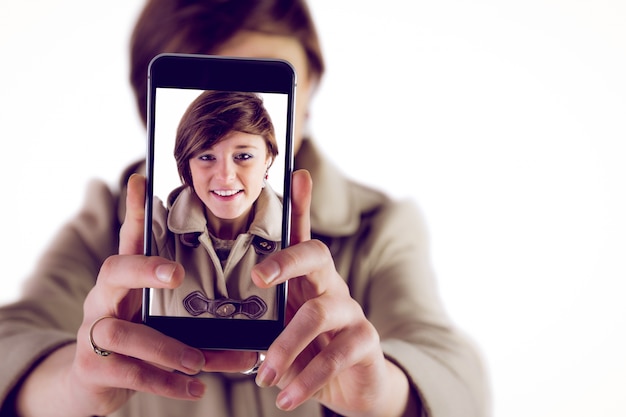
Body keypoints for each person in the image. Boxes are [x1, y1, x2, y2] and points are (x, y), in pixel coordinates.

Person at [0, 1, 490, 416]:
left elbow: (456, 372)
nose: (226, 177)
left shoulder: (378, 227)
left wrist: (382, 389)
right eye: (207, 149)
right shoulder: (109, 225)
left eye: (244, 151)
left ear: (311, 85)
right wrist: (73, 383)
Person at [150, 90, 283, 320]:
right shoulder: (154, 231)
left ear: (268, 159)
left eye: (243, 156)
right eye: (206, 157)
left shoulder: (301, 238)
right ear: (186, 166)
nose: (225, 176)